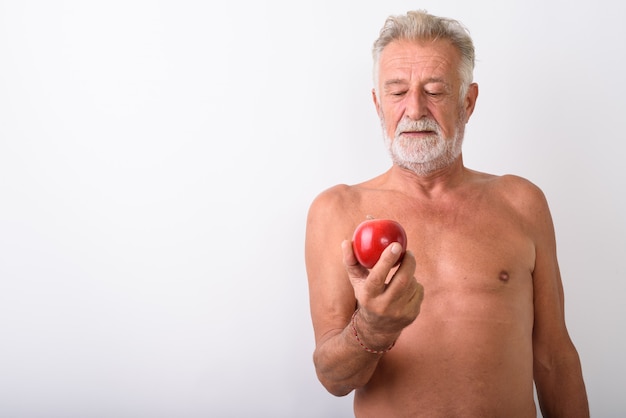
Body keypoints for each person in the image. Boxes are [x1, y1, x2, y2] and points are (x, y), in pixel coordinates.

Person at [304, 10, 589, 418]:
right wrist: (371, 328)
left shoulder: (521, 202)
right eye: (397, 91)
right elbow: (333, 378)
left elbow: (554, 358)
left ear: (467, 102)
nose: (415, 109)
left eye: (435, 91)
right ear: (377, 104)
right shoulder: (337, 210)